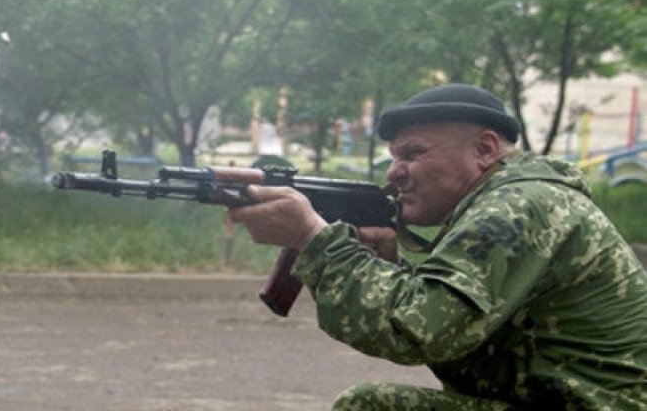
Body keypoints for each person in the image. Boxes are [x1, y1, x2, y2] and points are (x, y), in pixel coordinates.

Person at [228, 83, 647, 410]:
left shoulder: (519, 205)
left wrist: (313, 239)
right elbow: (461, 337)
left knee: (371, 406)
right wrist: (381, 269)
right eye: (393, 156)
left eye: (413, 153)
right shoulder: (514, 200)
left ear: (484, 149)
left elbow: (418, 331)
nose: (394, 174)